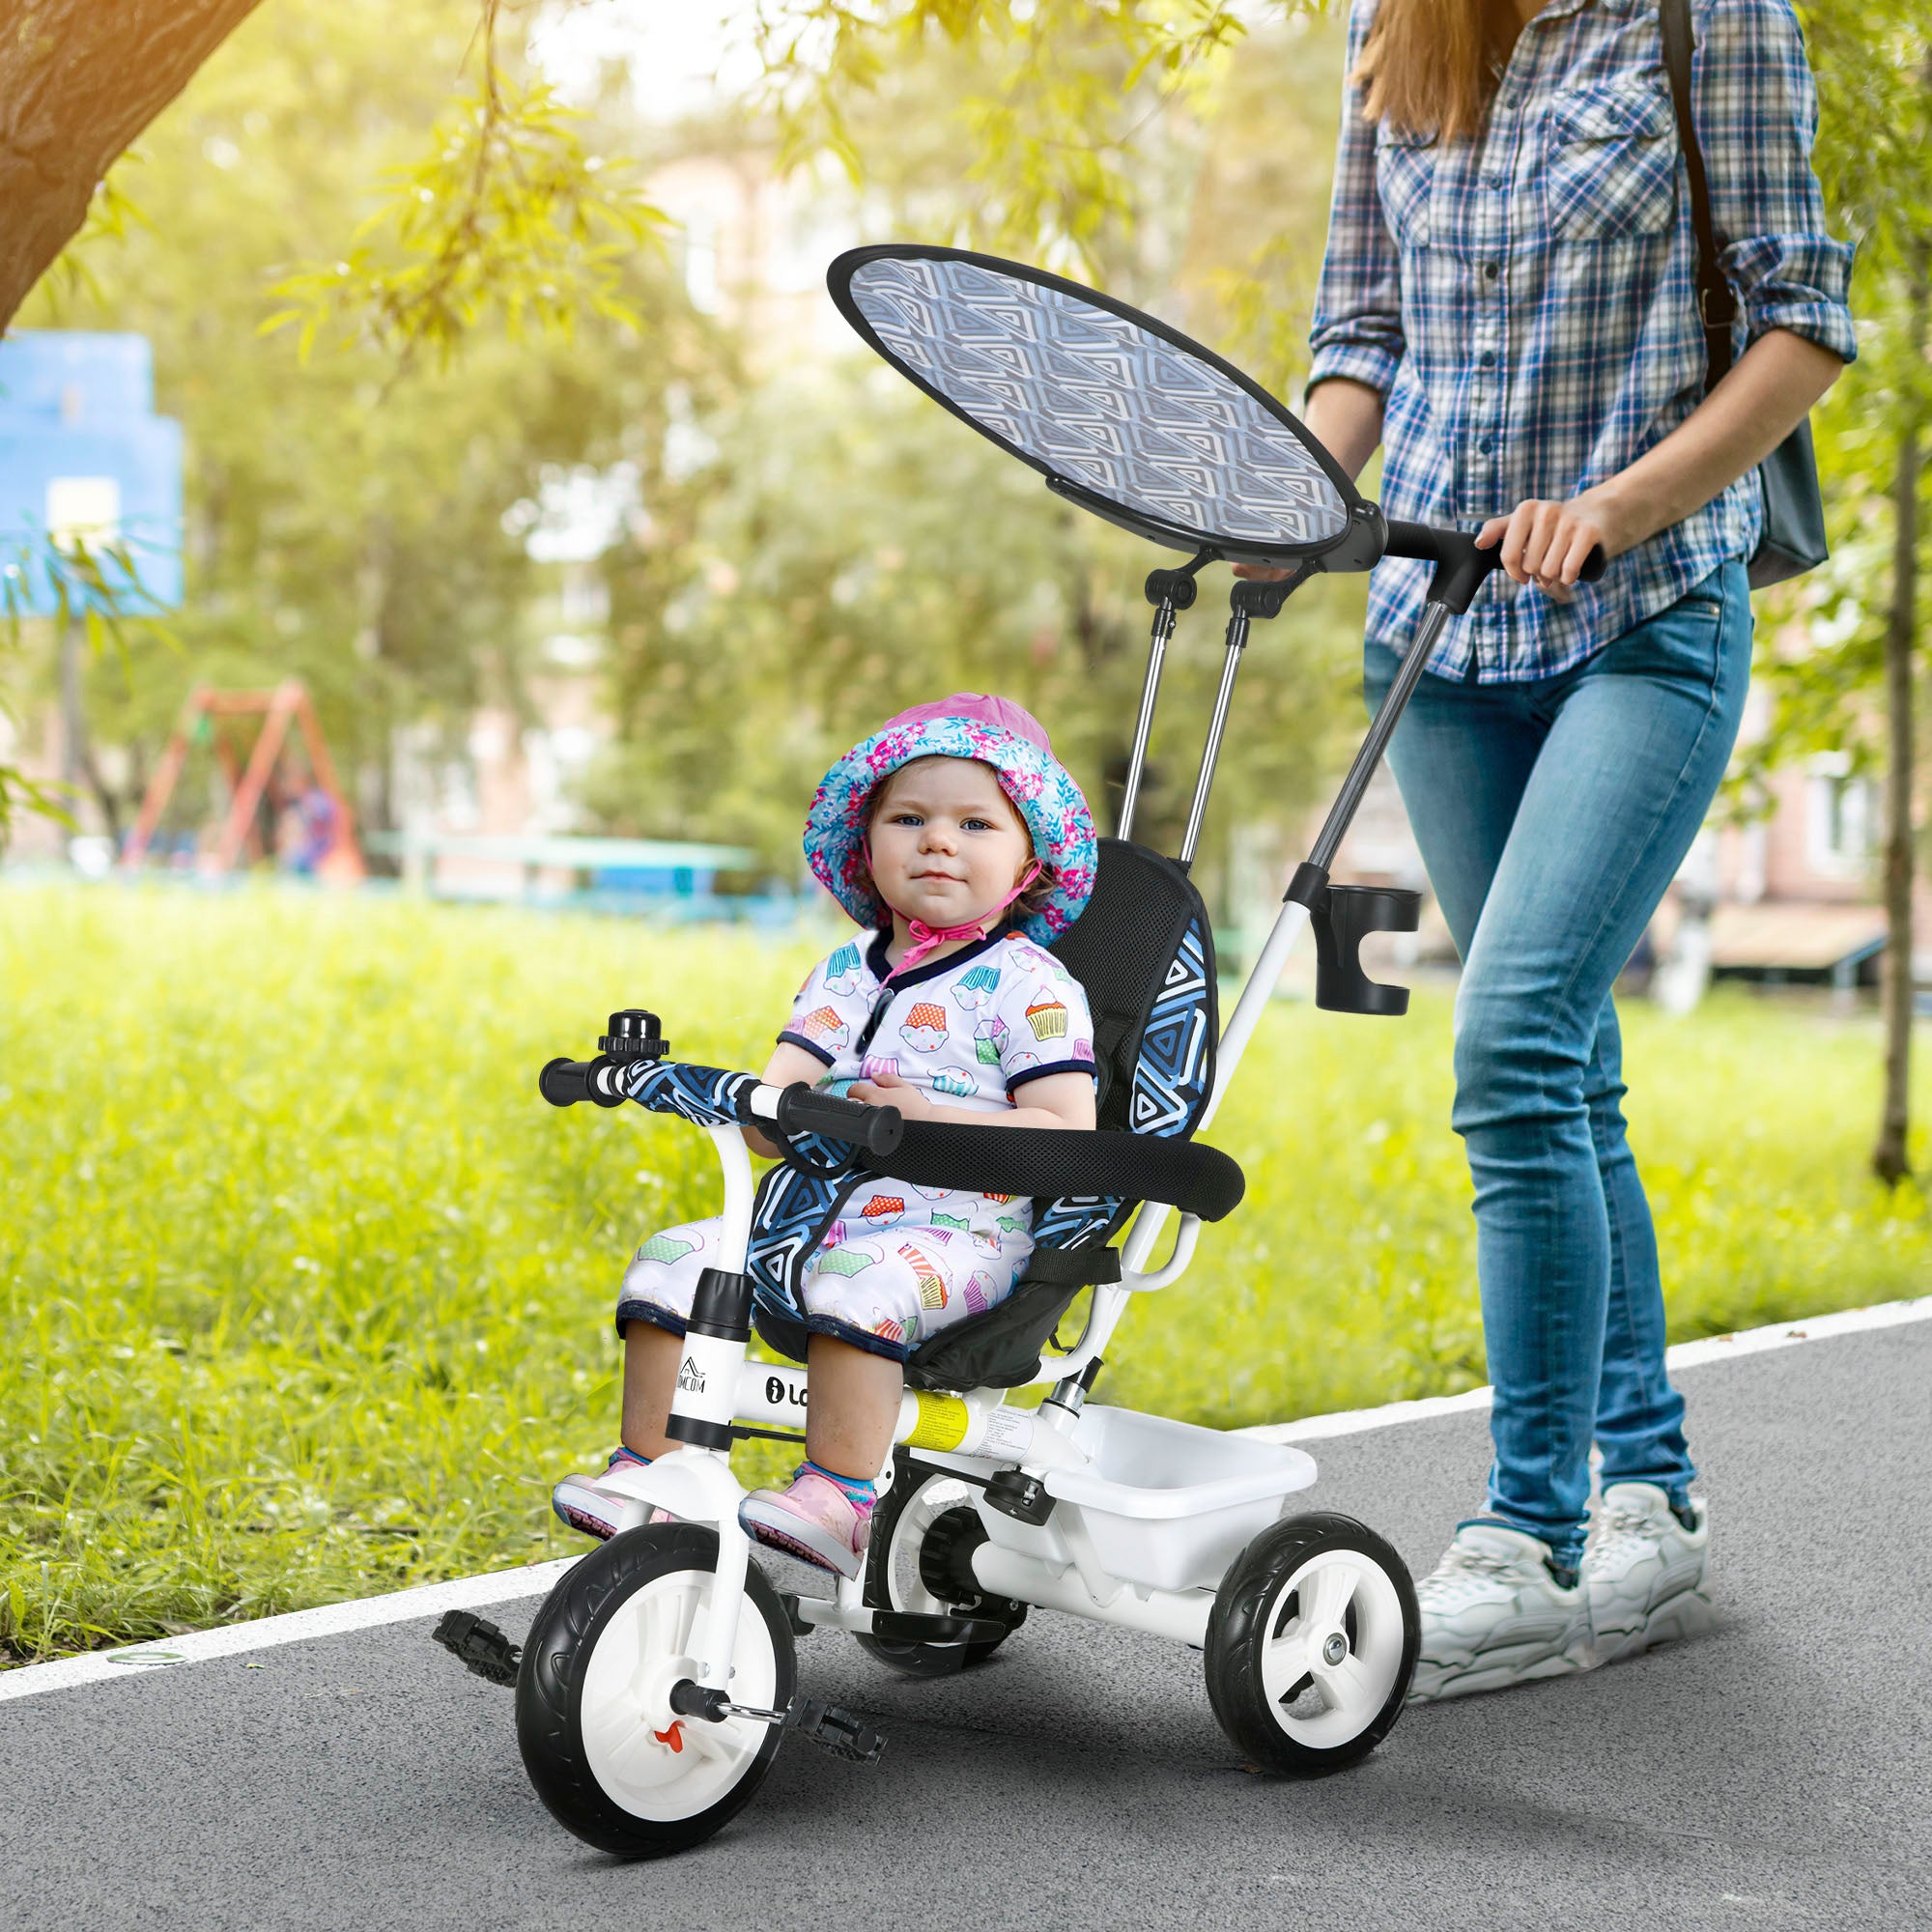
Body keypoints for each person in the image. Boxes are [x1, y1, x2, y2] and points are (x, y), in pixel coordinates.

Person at [1252, 0, 1855, 1698]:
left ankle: (1527, 1535)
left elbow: (1802, 325)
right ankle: (1648, 1497)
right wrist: (1293, 495)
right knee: (1566, 1069)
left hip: (1644, 617)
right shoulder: (1395, 25)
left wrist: (1620, 506)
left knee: (1510, 1038)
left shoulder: (1712, 15)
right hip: (1439, 630)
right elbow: (1359, 324)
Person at [553, 694, 1099, 1577]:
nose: (938, 841)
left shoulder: (1028, 983)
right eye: (910, 818)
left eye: (976, 823)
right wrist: (740, 1102)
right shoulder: (844, 972)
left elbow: (1068, 1134)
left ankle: (842, 1497)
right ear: (868, 841)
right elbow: (783, 1099)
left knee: (860, 1285)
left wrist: (931, 1118)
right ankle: (651, 1474)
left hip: (958, 1230)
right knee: (672, 1260)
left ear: (1030, 863)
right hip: (812, 1220)